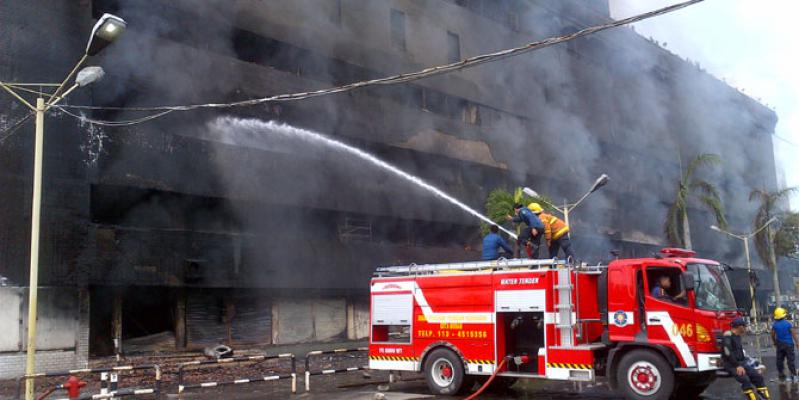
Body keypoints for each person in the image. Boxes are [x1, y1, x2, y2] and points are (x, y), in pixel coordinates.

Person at [722, 317, 770, 400]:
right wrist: (737, 366)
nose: (746, 328)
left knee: (758, 377)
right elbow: (727, 352)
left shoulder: (738, 337)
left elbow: (742, 355)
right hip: (731, 364)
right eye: (744, 326)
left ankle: (765, 398)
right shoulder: (728, 336)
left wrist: (756, 365)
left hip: (742, 363)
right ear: (740, 327)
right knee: (745, 380)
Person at [772, 307, 799, 382]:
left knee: (779, 360)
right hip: (789, 344)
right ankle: (794, 375)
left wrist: (774, 342)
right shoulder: (788, 323)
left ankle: (781, 374)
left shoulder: (775, 325)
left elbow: (772, 334)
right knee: (790, 360)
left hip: (779, 344)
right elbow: (793, 333)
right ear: (784, 315)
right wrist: (797, 342)